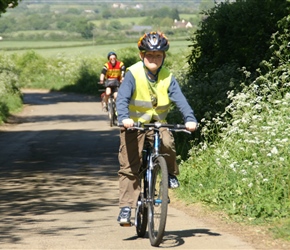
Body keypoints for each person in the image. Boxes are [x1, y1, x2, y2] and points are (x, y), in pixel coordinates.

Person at [115, 31, 198, 225]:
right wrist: (124, 118)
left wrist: (190, 118)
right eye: (150, 55)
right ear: (142, 55)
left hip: (157, 124)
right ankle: (126, 207)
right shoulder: (133, 73)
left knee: (168, 142)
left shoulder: (168, 77)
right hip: (133, 126)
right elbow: (122, 99)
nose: (154, 59)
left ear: (164, 57)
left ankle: (169, 175)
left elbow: (181, 101)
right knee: (129, 165)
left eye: (158, 55)